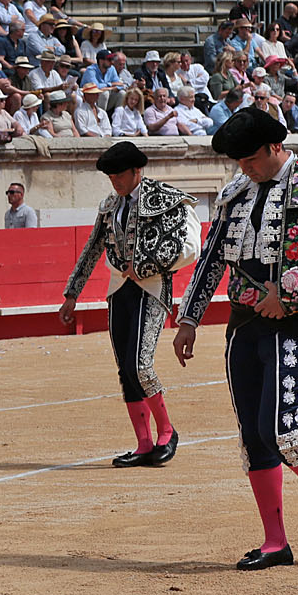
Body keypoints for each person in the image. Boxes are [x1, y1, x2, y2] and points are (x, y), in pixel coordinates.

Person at [174, 108, 298, 570]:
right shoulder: (235, 194)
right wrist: (189, 319)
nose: (244, 168)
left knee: (281, 429)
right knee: (253, 435)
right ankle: (275, 542)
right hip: (243, 326)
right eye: (238, 162)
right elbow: (212, 259)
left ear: (276, 147)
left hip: (295, 325)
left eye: (251, 159)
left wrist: (290, 296)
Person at [59, 142, 197, 469]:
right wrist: (71, 294)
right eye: (111, 176)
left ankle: (166, 431)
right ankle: (144, 443)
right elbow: (92, 249)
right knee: (125, 368)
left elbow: (185, 244)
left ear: (137, 170)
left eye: (119, 174)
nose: (115, 181)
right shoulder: (110, 205)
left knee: (140, 362)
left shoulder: (164, 199)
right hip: (119, 288)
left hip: (150, 288)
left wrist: (146, 266)